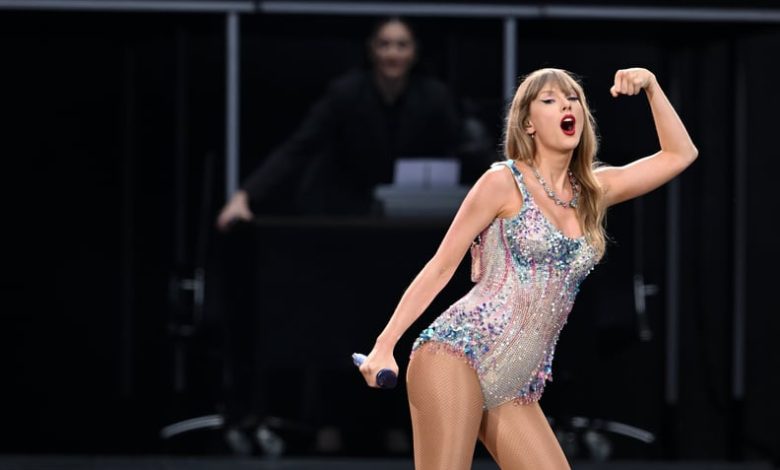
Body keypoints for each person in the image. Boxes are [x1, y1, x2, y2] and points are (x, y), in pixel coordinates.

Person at [357, 66, 697, 469]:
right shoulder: (503, 182)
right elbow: (441, 266)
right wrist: (385, 344)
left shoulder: (593, 191)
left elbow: (680, 154)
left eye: (572, 99)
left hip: (516, 382)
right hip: (457, 352)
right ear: (528, 123)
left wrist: (653, 87)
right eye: (550, 100)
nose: (566, 105)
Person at [216, 16, 469, 229]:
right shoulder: (346, 93)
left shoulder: (434, 97)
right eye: (384, 45)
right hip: (346, 209)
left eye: (402, 45)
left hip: (411, 211)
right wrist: (245, 195)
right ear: (372, 50)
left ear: (414, 51)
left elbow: (465, 147)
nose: (393, 53)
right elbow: (300, 146)